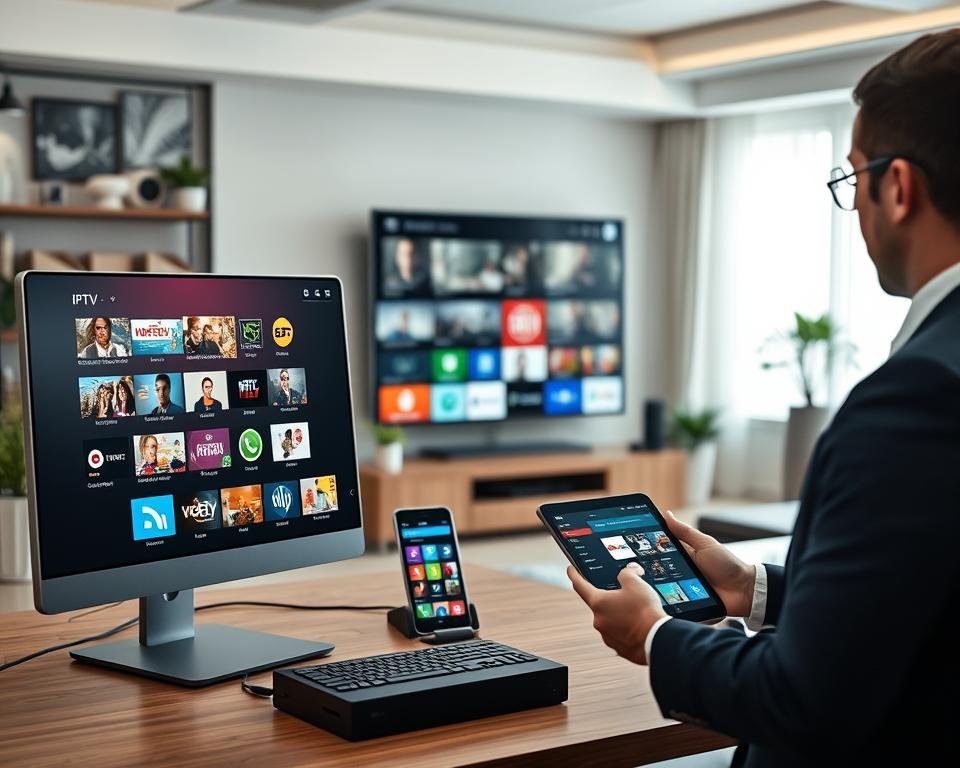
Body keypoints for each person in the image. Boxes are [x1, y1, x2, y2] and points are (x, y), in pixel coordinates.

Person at [568, 30, 960, 765]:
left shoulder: (917, 398)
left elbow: (804, 700)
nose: (854, 206)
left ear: (899, 188)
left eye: (852, 178)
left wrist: (655, 636)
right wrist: (755, 589)